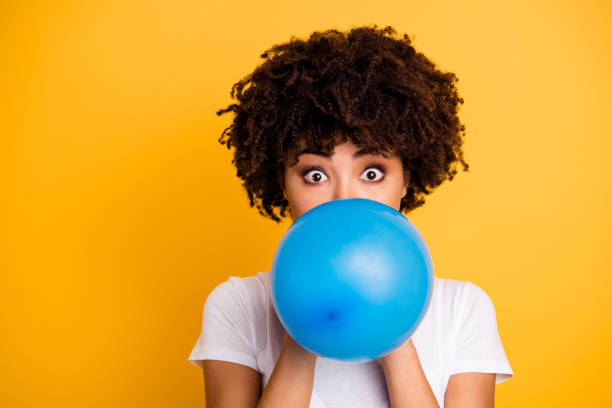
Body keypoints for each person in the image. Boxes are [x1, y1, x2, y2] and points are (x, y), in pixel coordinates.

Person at [188, 25, 514, 407]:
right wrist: (301, 321)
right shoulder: (238, 305)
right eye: (315, 175)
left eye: (372, 173)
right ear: (283, 184)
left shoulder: (463, 308)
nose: (344, 199)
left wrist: (393, 325)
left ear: (406, 179)